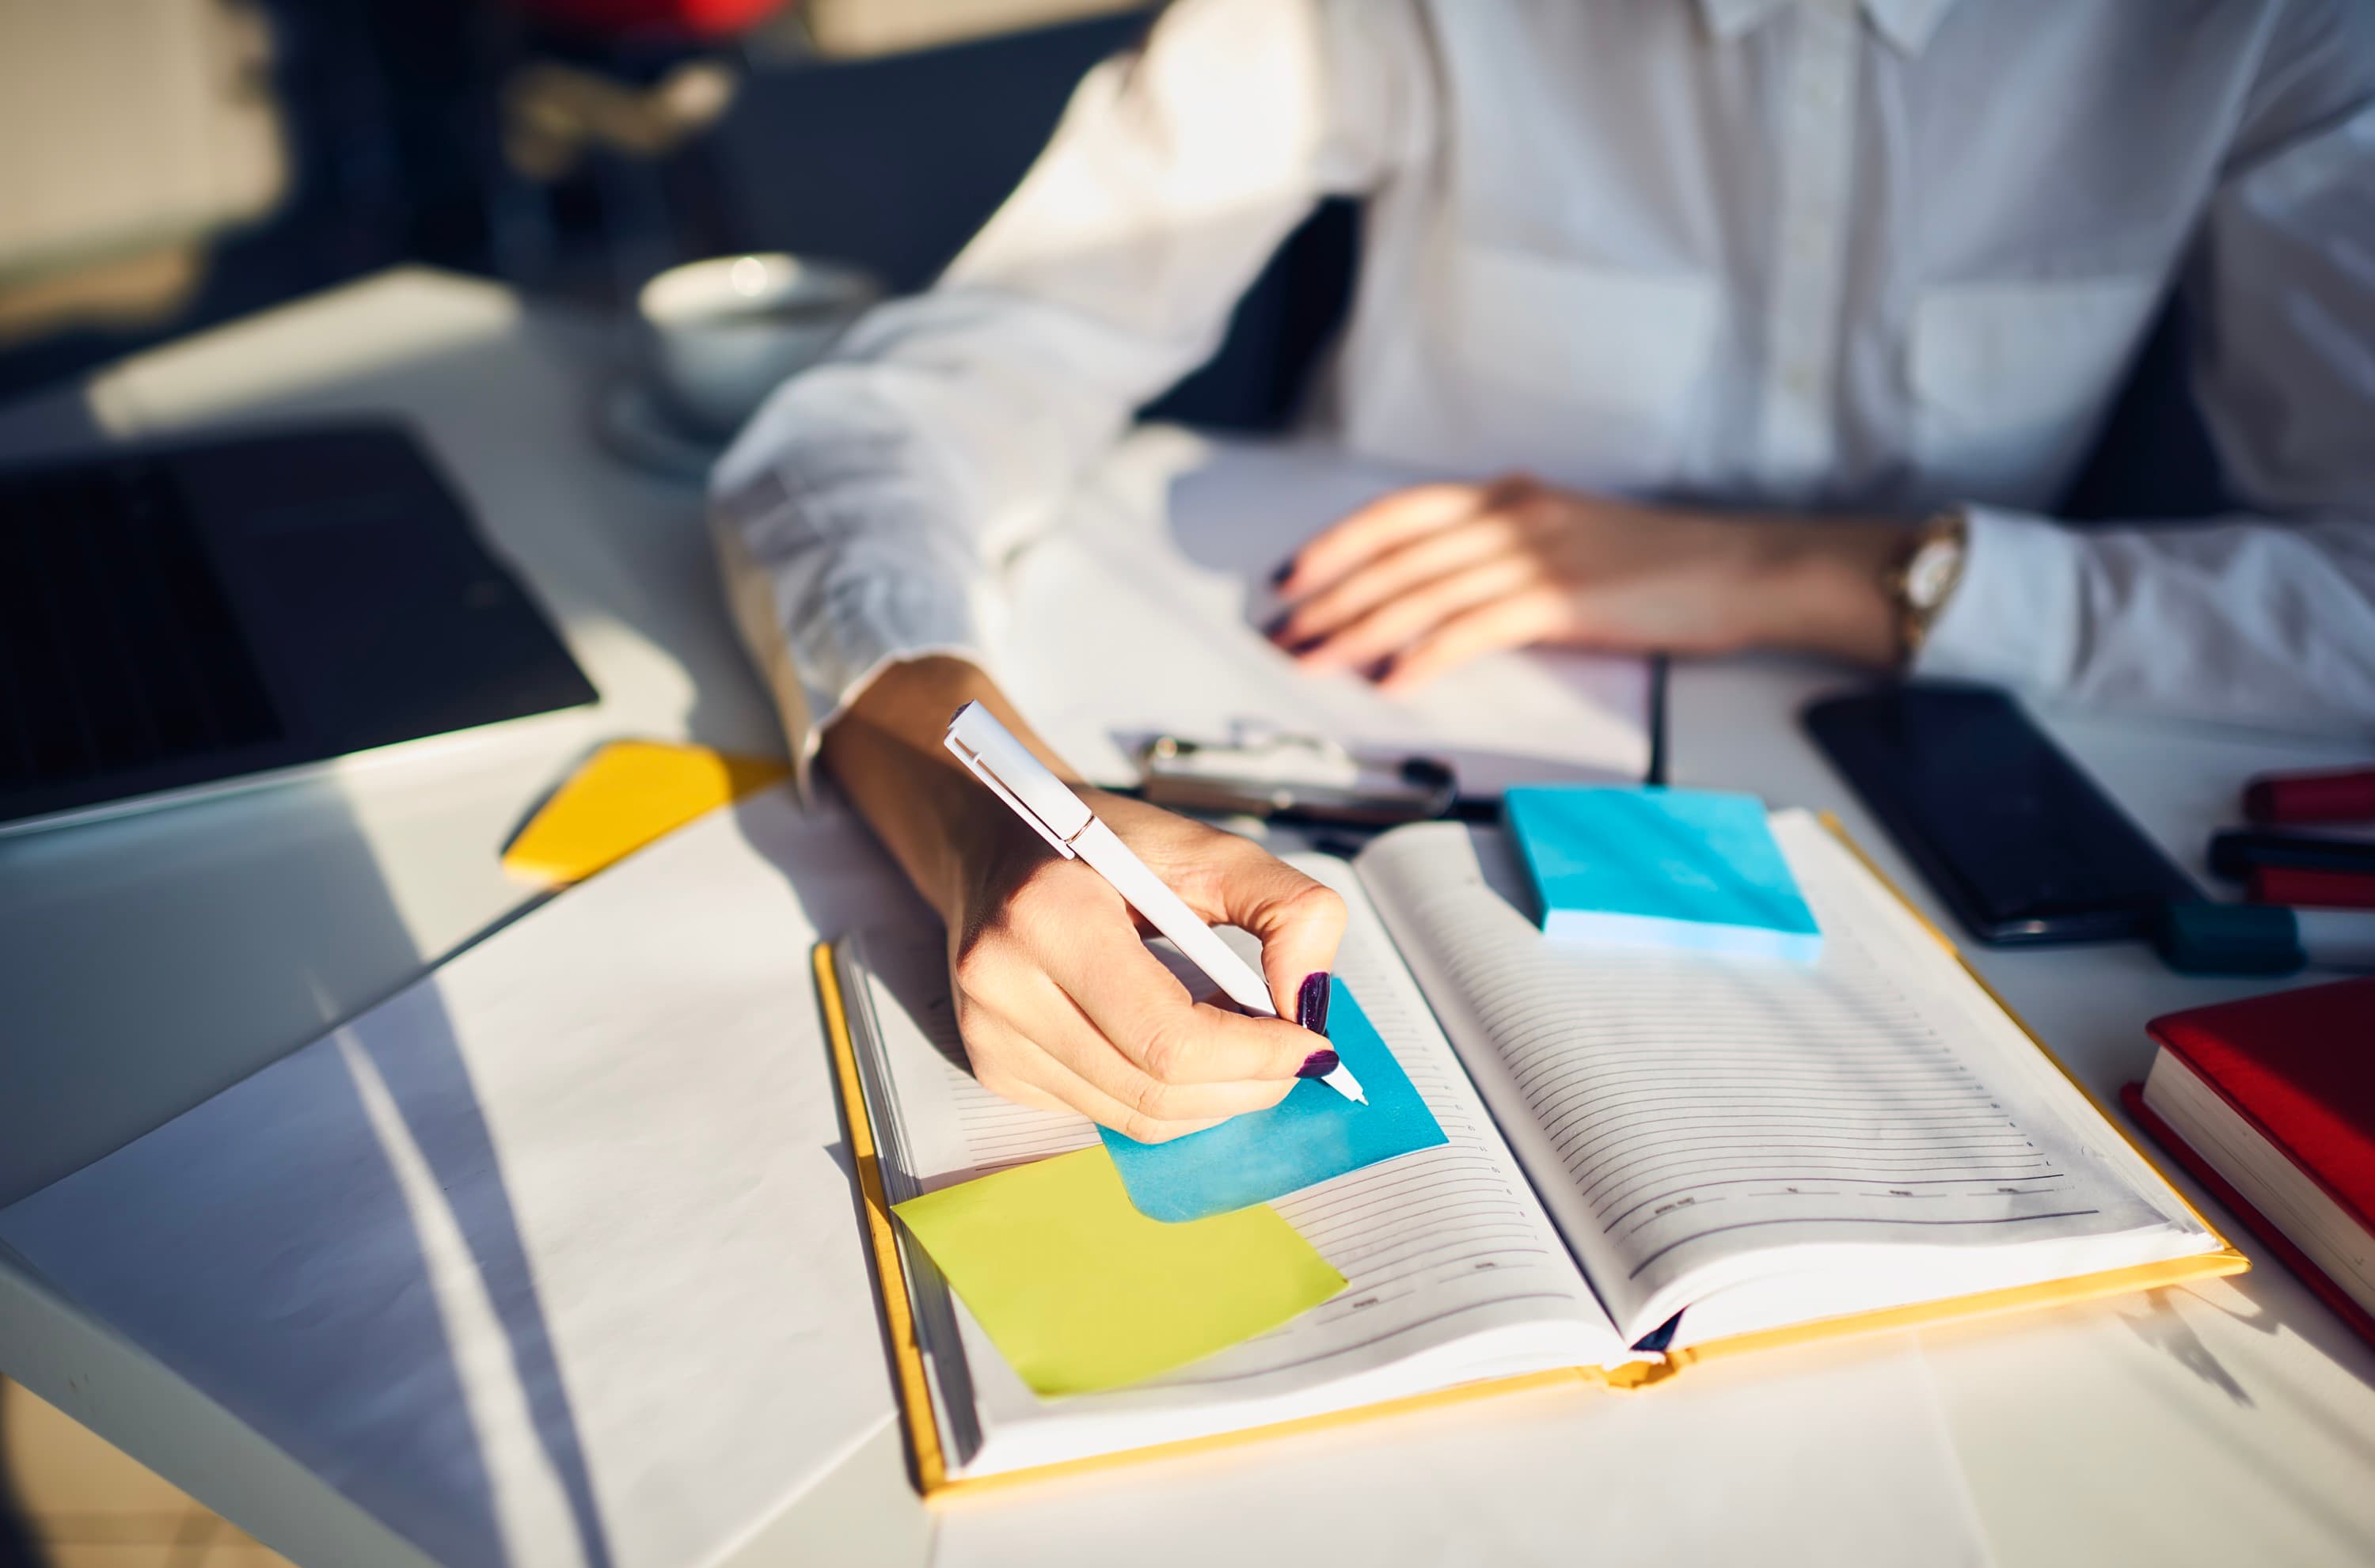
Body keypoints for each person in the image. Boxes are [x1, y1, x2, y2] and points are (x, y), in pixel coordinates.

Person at [711, 0, 2375, 1141]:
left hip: (1944, 912)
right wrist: (974, 796)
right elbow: (882, 423)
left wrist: (1841, 573)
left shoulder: (2261, 28)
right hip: (1351, 762)